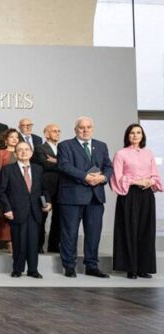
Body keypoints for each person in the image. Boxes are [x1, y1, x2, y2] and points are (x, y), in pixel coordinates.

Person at [57, 116, 113, 278]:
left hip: (95, 197)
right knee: (70, 233)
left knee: (94, 233)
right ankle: (69, 266)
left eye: (88, 127)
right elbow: (64, 166)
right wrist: (86, 177)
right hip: (72, 197)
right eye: (81, 127)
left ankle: (92, 266)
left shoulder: (101, 146)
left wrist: (103, 178)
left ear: (92, 129)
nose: (85, 130)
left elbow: (108, 167)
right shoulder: (65, 145)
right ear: (76, 130)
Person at [111, 124, 162, 279]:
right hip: (129, 194)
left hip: (146, 195)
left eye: (138, 132)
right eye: (132, 133)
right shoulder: (121, 154)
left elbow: (155, 175)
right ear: (127, 136)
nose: (135, 135)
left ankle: (143, 267)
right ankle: (130, 268)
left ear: (142, 136)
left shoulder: (149, 153)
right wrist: (135, 181)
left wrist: (150, 181)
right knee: (129, 229)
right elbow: (117, 177)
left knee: (146, 230)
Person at [0, 142, 52, 278]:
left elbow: (44, 189)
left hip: (35, 211)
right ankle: (17, 269)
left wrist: (48, 203)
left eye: (26, 149)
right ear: (15, 154)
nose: (23, 152)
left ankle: (33, 270)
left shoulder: (38, 169)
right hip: (16, 211)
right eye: (20, 150)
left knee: (34, 242)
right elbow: (2, 192)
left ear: (31, 152)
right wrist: (7, 209)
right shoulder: (8, 169)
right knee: (18, 242)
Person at [33, 123, 61, 252]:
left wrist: (55, 161)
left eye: (58, 131)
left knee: (58, 218)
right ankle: (38, 245)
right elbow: (45, 164)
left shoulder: (62, 149)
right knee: (42, 217)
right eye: (54, 131)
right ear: (46, 134)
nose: (57, 133)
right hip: (45, 189)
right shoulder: (40, 148)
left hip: (61, 189)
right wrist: (61, 163)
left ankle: (54, 246)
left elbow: (69, 165)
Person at [0, 128, 20, 252]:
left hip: (18, 190)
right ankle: (6, 241)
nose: (14, 139)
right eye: (11, 137)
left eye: (16, 137)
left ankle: (13, 241)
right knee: (3, 215)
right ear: (6, 140)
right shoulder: (0, 153)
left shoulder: (22, 153)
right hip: (4, 189)